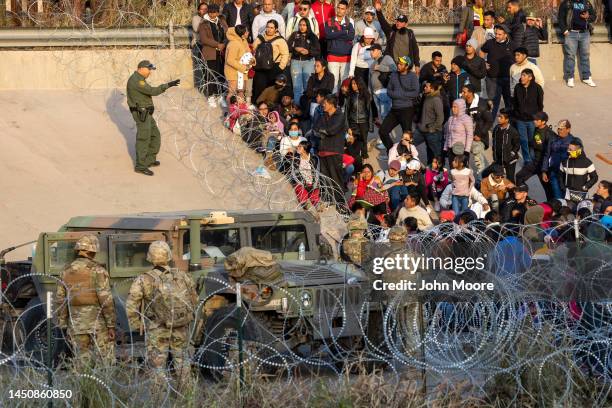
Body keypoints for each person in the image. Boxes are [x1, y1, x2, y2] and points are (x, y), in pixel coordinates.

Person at [126, 241, 198, 385]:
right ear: (169, 256)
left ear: (150, 257)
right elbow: (194, 300)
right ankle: (188, 396)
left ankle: (159, 399)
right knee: (182, 361)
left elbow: (131, 305)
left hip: (156, 328)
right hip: (180, 326)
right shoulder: (183, 276)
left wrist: (137, 325)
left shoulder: (144, 279)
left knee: (157, 366)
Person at [56, 235, 116, 366]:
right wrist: (111, 324)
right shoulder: (98, 270)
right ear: (92, 251)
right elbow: (106, 299)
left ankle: (83, 386)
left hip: (75, 323)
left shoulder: (65, 271)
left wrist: (63, 324)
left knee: (82, 362)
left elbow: (61, 300)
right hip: (97, 323)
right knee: (104, 362)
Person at [126, 60, 180, 176]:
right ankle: (140, 166)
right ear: (141, 68)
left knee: (155, 135)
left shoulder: (140, 79)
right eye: (149, 69)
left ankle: (149, 160)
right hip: (142, 114)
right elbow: (153, 91)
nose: (150, 72)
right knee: (144, 138)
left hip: (146, 113)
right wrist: (168, 85)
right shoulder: (137, 81)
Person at [378, 55, 419, 152]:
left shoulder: (413, 76)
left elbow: (415, 92)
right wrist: (403, 95)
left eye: (401, 64)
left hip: (407, 110)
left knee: (407, 136)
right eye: (398, 63)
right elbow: (389, 91)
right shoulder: (394, 75)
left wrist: (399, 95)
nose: (398, 65)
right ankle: (392, 150)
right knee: (382, 131)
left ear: (407, 66)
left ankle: (405, 156)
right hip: (395, 109)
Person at [313, 94, 347, 207]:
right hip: (322, 151)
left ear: (332, 104)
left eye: (325, 103)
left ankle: (340, 204)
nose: (323, 105)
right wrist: (323, 131)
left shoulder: (340, 116)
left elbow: (332, 130)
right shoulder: (323, 115)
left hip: (334, 152)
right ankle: (328, 200)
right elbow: (315, 129)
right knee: (325, 179)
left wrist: (322, 131)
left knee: (336, 179)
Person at [515, 111, 554, 200]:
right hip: (534, 163)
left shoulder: (549, 134)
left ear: (543, 122)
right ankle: (524, 197)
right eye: (534, 119)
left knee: (548, 189)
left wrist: (545, 169)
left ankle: (551, 205)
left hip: (543, 166)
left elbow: (549, 152)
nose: (534, 121)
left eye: (537, 120)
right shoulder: (537, 129)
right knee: (519, 176)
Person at [558, 0, 597, 87]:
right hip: (571, 33)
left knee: (585, 56)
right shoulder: (566, 3)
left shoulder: (586, 3)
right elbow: (560, 18)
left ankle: (587, 77)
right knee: (570, 56)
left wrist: (588, 17)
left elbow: (594, 16)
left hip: (585, 33)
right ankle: (570, 78)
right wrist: (564, 31)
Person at [374, 2, 420, 74]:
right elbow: (383, 22)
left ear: (406, 24)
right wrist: (378, 11)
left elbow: (415, 49)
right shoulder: (391, 32)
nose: (398, 23)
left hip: (406, 66)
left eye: (401, 22)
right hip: (393, 65)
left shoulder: (410, 33)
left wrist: (417, 64)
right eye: (397, 21)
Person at [252, 20, 290, 104]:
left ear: (276, 29)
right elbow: (253, 51)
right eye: (268, 27)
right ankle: (257, 106)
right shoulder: (259, 38)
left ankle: (270, 108)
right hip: (260, 68)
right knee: (258, 88)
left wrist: (280, 67)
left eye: (272, 27)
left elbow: (285, 54)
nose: (269, 29)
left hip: (274, 67)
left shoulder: (280, 40)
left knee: (271, 90)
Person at [542, 119, 581, 199]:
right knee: (558, 197)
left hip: (568, 175)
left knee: (567, 198)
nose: (559, 131)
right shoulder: (552, 139)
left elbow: (580, 158)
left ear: (568, 129)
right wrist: (544, 171)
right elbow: (547, 155)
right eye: (558, 128)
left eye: (561, 129)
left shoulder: (575, 142)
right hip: (554, 172)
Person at [198, 4, 228, 107]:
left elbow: (227, 34)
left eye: (214, 12)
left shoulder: (222, 22)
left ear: (218, 12)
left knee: (220, 74)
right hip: (210, 52)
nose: (212, 14)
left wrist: (224, 44)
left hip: (221, 53)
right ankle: (211, 96)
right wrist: (217, 44)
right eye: (210, 12)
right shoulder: (203, 24)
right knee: (210, 75)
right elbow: (204, 39)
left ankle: (220, 95)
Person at [481, 24, 513, 118]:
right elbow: (482, 51)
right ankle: (490, 124)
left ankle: (509, 123)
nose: (497, 36)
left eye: (499, 34)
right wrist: (484, 62)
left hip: (507, 79)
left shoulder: (512, 45)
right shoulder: (490, 43)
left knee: (508, 103)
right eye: (496, 34)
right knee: (493, 104)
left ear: (505, 35)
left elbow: (519, 57)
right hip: (493, 79)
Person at [513, 68, 544, 164]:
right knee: (523, 140)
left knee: (532, 140)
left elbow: (540, 104)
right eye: (521, 75)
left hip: (532, 120)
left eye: (524, 75)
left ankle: (533, 157)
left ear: (530, 77)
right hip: (520, 120)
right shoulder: (517, 87)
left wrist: (538, 117)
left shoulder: (537, 88)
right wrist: (517, 114)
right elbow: (515, 102)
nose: (521, 77)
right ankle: (527, 160)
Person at [462, 84, 493, 178]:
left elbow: (489, 121)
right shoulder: (462, 103)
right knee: (463, 158)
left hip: (478, 137)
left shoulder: (482, 105)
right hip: (466, 136)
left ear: (470, 93)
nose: (462, 93)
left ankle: (481, 181)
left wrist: (480, 135)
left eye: (464, 92)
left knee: (479, 161)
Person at [288, 18, 320, 103]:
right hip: (295, 62)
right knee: (297, 87)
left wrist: (309, 52)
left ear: (308, 26)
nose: (302, 27)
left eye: (304, 25)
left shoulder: (312, 36)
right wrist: (296, 49)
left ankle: (307, 108)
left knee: (308, 86)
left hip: (308, 62)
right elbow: (288, 47)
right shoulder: (294, 35)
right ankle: (297, 107)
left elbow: (317, 50)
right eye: (300, 25)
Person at [324, 1, 355, 92]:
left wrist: (335, 34)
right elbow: (328, 35)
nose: (340, 10)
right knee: (333, 83)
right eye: (338, 8)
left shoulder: (350, 22)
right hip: (333, 57)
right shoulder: (329, 21)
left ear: (346, 10)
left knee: (345, 84)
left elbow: (351, 36)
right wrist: (343, 32)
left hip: (346, 58)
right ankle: (333, 105)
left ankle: (343, 105)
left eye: (342, 8)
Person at [365, 43, 396, 122]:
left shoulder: (386, 57)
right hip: (375, 93)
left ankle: (386, 132)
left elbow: (394, 68)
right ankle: (386, 133)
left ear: (379, 51)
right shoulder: (372, 64)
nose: (371, 52)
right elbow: (370, 80)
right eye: (370, 51)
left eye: (373, 50)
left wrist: (379, 67)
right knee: (382, 116)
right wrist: (370, 93)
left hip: (384, 90)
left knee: (385, 115)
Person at [487, 109, 520, 182]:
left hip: (509, 161)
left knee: (510, 179)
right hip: (498, 160)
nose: (498, 119)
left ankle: (512, 193)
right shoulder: (496, 129)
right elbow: (494, 141)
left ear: (507, 120)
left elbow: (517, 145)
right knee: (493, 177)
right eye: (498, 116)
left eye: (501, 117)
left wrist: (510, 154)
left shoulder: (513, 131)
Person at [345, 76, 371, 160]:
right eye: (352, 84)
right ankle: (354, 158)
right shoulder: (349, 96)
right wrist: (347, 127)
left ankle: (364, 157)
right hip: (353, 122)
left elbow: (370, 111)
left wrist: (370, 126)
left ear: (360, 84)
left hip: (363, 122)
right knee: (353, 140)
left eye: (355, 84)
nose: (353, 85)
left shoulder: (366, 95)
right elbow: (346, 112)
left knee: (364, 140)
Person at [418, 80, 444, 164]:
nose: (424, 88)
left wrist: (431, 128)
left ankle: (439, 174)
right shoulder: (427, 96)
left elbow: (440, 117)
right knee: (410, 145)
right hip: (422, 130)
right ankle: (429, 169)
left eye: (426, 87)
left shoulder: (436, 99)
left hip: (433, 132)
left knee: (436, 156)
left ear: (432, 89)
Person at [224, 25, 252, 103]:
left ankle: (240, 111)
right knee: (232, 93)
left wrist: (252, 60)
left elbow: (248, 53)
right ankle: (231, 111)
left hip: (242, 71)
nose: (248, 32)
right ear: (242, 34)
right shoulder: (234, 44)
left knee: (241, 92)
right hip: (233, 72)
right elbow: (230, 60)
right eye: (247, 31)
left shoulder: (243, 41)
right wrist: (243, 68)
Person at [443, 98, 473, 166]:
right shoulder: (450, 119)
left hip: (460, 150)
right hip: (451, 150)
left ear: (461, 108)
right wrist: (445, 148)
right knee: (453, 171)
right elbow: (448, 134)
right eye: (452, 107)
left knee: (462, 172)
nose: (453, 109)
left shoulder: (467, 119)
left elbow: (470, 135)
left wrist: (467, 151)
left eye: (455, 107)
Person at [291, 140, 321, 208]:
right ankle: (305, 204)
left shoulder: (314, 159)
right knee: (302, 192)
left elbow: (317, 172)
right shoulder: (296, 159)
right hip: (301, 182)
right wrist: (303, 182)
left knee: (315, 195)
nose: (297, 148)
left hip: (313, 182)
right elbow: (294, 173)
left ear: (305, 149)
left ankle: (317, 205)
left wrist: (314, 184)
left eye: (300, 147)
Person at [192, 3, 208, 91]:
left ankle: (207, 85)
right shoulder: (196, 18)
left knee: (207, 66)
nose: (204, 11)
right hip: (198, 45)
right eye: (202, 9)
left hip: (207, 45)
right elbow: (197, 29)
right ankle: (200, 86)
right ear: (199, 10)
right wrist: (205, 20)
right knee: (199, 67)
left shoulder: (209, 18)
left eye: (206, 9)